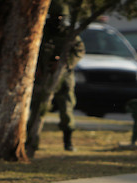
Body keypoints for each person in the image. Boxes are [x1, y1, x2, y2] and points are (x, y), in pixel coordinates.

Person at [27, 0, 85, 153]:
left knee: (66, 110)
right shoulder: (42, 31)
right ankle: (32, 142)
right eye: (54, 16)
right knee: (38, 110)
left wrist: (63, 64)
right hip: (43, 76)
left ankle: (68, 142)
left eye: (60, 17)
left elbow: (78, 51)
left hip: (63, 77)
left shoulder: (68, 33)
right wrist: (37, 68)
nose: (57, 19)